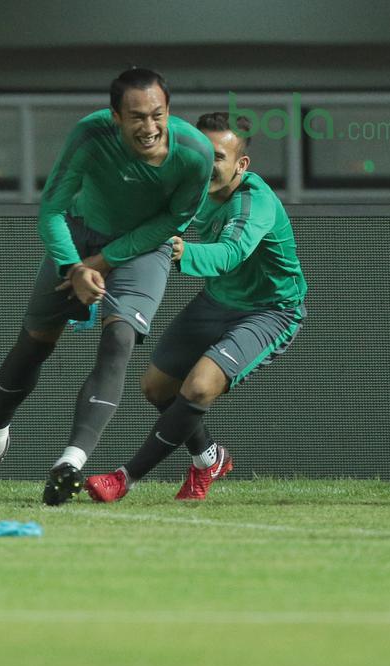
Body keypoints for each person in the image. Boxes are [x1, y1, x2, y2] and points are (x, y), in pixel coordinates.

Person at [0, 67, 214, 506]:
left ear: (169, 111)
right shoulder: (89, 137)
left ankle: (69, 464)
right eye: (136, 117)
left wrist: (107, 261)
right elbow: (51, 210)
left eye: (157, 115)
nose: (149, 127)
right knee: (34, 345)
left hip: (144, 247)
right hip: (79, 235)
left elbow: (174, 221)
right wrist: (75, 266)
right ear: (115, 116)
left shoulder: (196, 154)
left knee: (120, 338)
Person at [84, 111, 308, 504]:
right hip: (217, 300)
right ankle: (210, 459)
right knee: (155, 388)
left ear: (241, 165)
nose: (207, 164)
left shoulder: (254, 203)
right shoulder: (193, 186)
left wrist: (181, 250)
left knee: (199, 388)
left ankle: (124, 478)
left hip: (270, 310)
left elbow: (231, 253)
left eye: (218, 157)